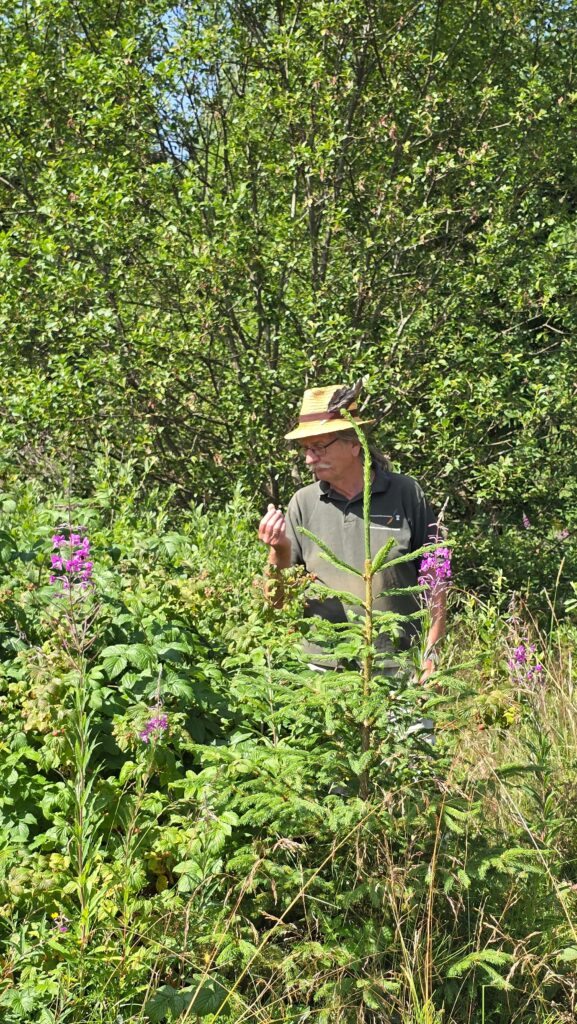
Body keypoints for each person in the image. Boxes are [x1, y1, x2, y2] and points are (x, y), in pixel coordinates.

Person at [258, 384, 445, 680]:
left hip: (399, 663)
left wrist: (431, 652)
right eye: (306, 449)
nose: (309, 459)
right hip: (326, 668)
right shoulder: (303, 504)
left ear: (354, 444)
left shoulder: (406, 493)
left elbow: (436, 578)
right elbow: (276, 601)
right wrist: (278, 549)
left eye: (319, 447)